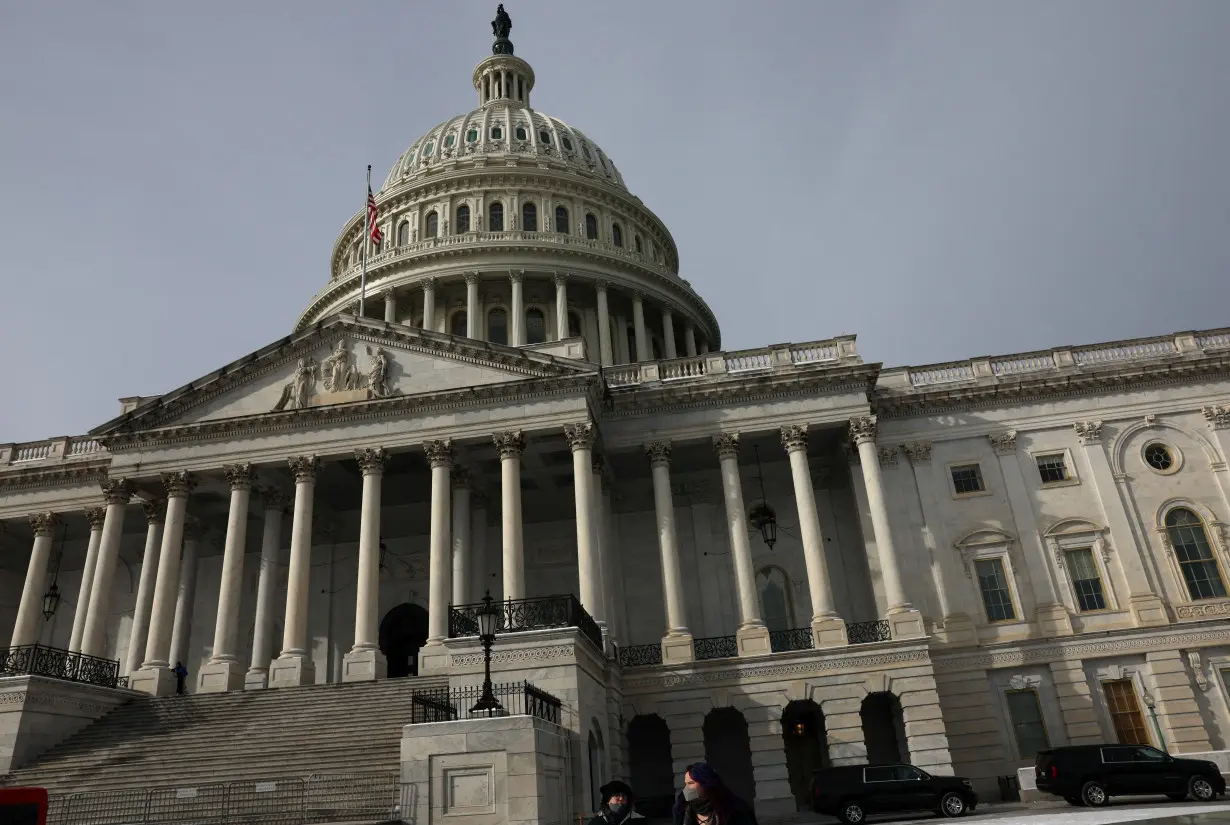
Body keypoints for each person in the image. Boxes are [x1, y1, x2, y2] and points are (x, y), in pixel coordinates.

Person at [672, 762, 757, 825]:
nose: (686, 789)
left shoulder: (735, 811)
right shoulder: (682, 810)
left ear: (706, 784)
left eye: (691, 783)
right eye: (685, 784)